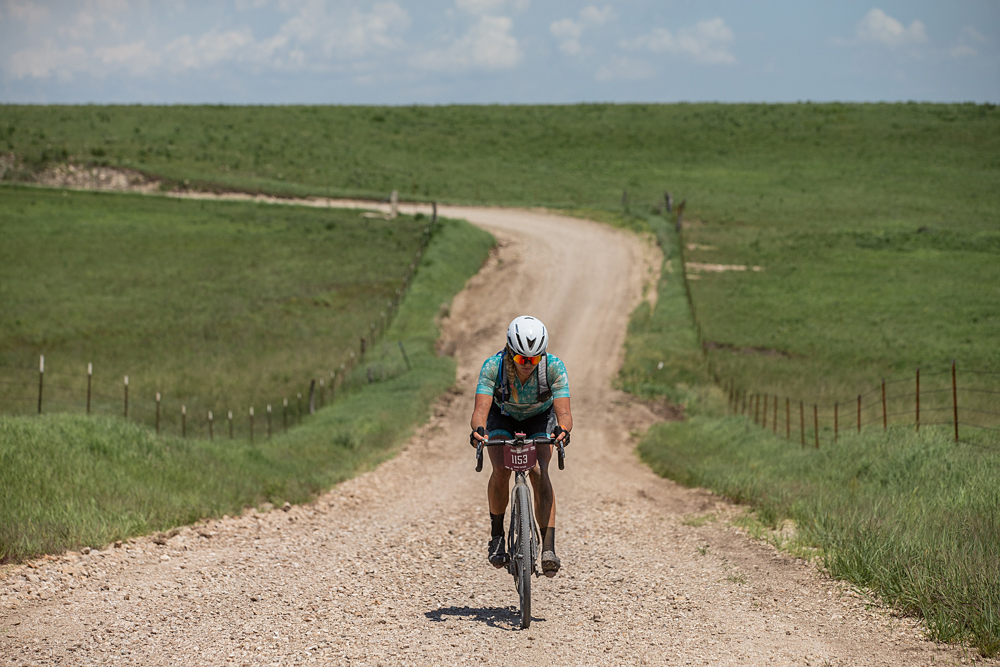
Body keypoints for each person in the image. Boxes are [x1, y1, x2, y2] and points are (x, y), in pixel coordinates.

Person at [470, 315, 572, 577]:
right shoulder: (493, 366)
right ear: (510, 351)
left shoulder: (554, 367)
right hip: (502, 416)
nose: (528, 364)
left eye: (534, 359)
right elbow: (481, 410)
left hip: (539, 418)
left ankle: (548, 548)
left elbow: (565, 414)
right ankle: (497, 537)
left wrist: (563, 430)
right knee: (502, 469)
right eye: (521, 359)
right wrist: (478, 430)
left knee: (539, 471)